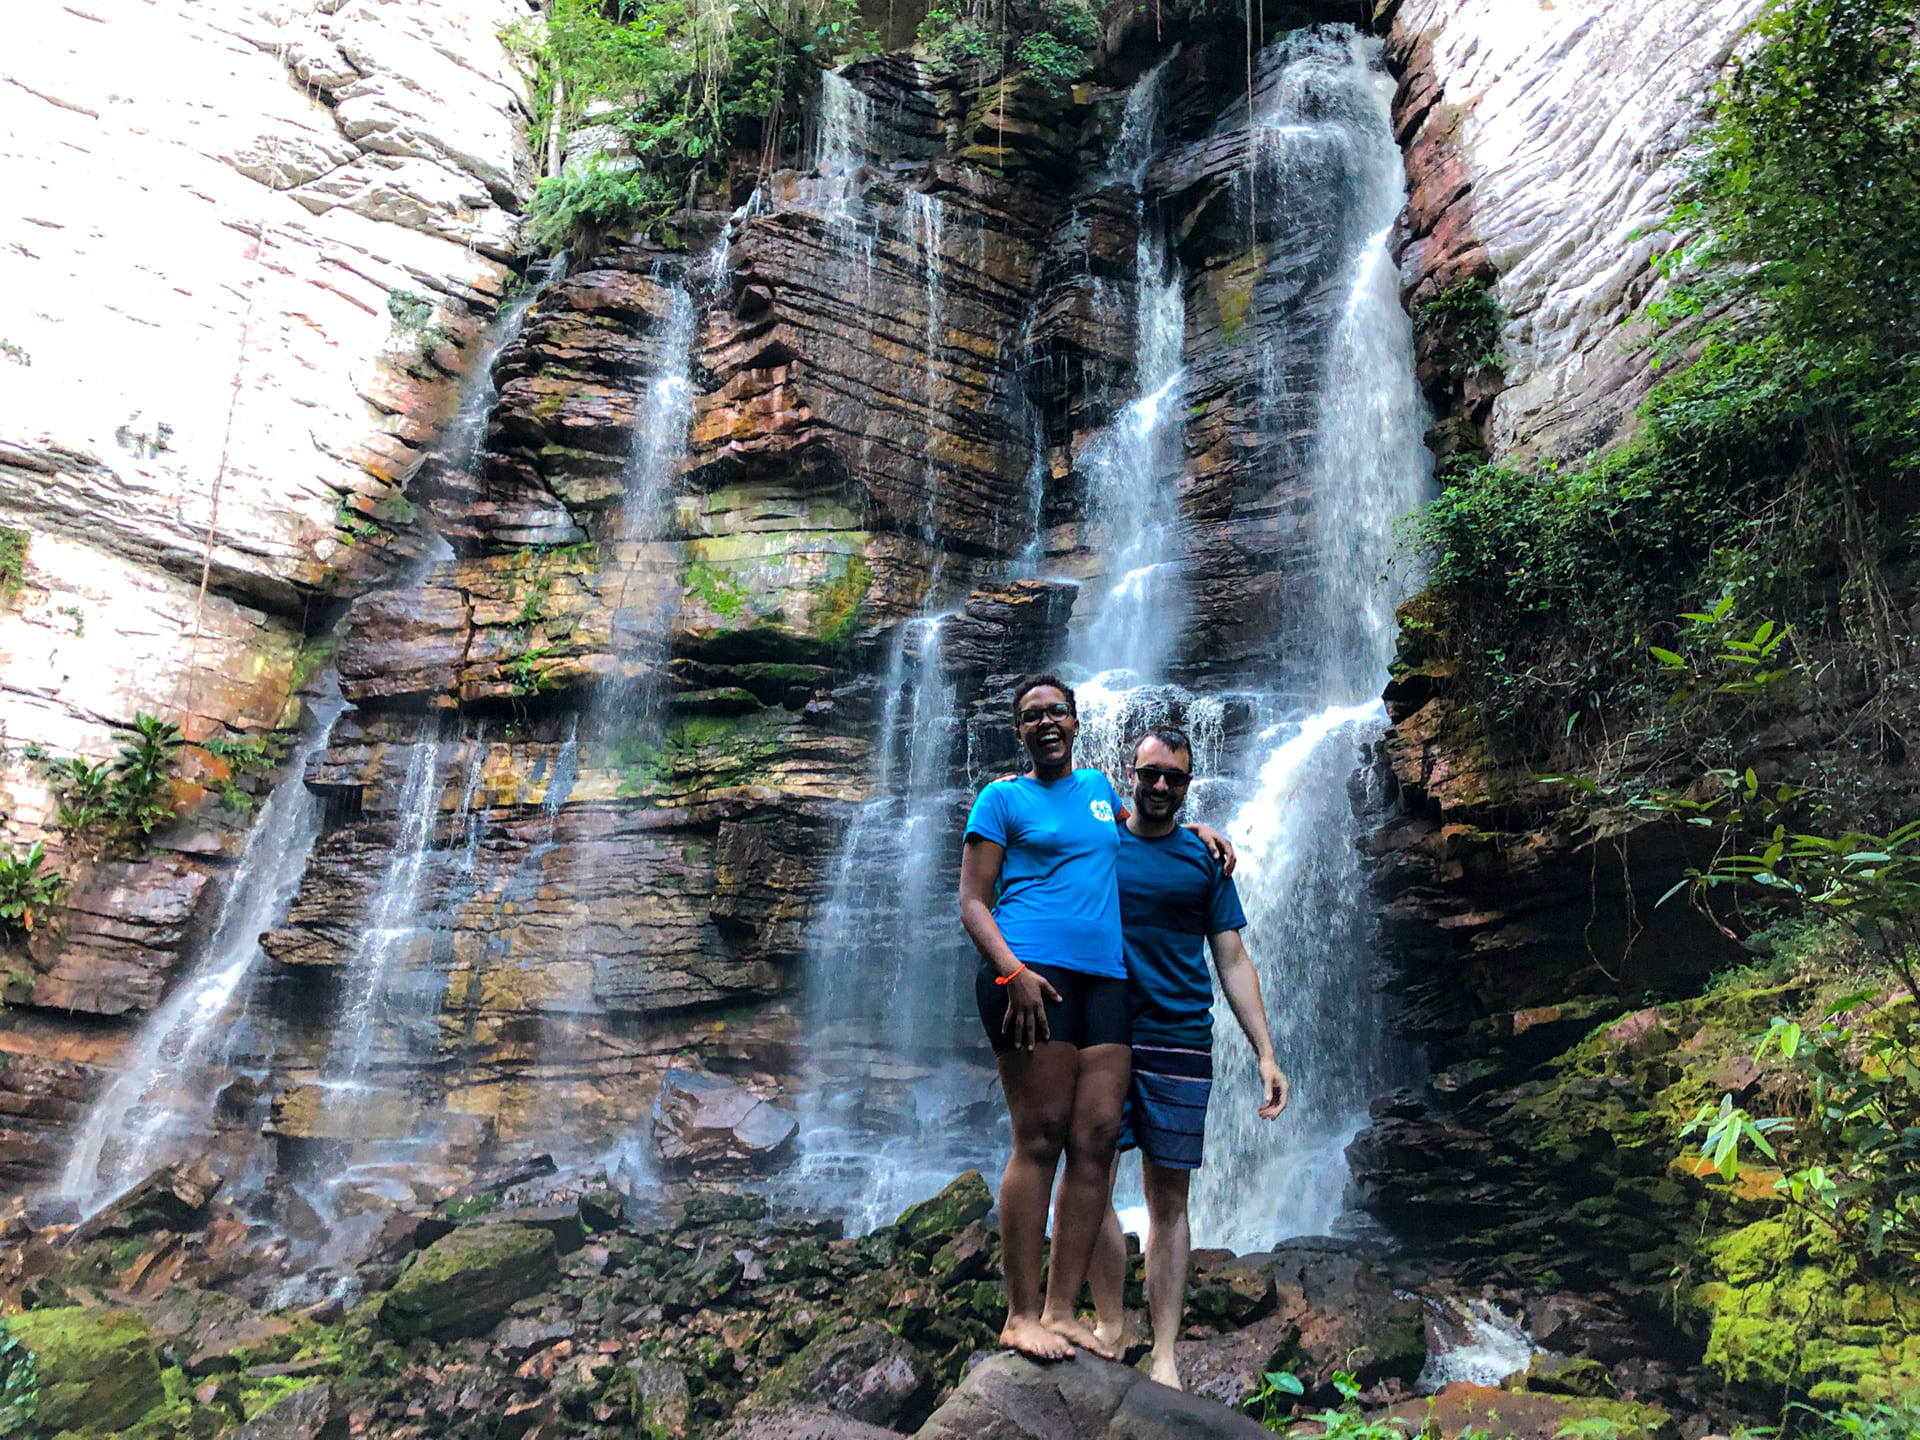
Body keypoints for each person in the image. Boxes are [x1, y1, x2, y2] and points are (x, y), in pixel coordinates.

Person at [959, 676, 1234, 1362]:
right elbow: (972, 900)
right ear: (1018, 730)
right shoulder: (1001, 798)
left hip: (1107, 982)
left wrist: (1197, 830)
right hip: (1030, 978)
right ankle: (1022, 1313)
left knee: (1098, 1137)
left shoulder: (1099, 795)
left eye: (1056, 711)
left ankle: (1062, 1308)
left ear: (1077, 722)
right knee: (1042, 1134)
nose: (1046, 722)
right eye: (1031, 715)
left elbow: (1146, 827)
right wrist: (1012, 974)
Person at [1087, 726, 1289, 1388]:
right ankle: (1111, 1324)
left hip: (1180, 1038)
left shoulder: (1206, 861)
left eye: (1175, 777)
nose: (1162, 787)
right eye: (1151, 775)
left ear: (1188, 782)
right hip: (1103, 1034)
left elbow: (1232, 956)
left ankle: (1167, 1354)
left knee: (1169, 1196)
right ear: (1129, 774)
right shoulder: (1096, 840)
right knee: (1091, 1177)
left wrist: (1266, 1052)